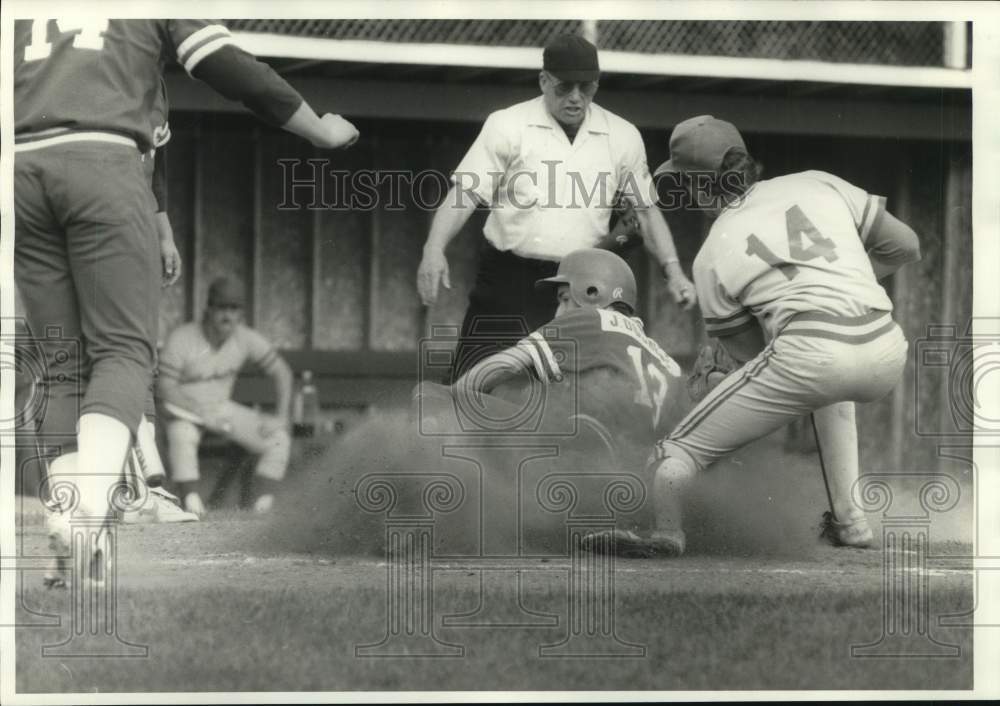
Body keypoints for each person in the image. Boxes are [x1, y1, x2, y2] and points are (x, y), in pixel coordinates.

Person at [14, 19, 359, 586]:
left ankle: (66, 515)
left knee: (60, 362)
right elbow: (232, 68)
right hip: (103, 162)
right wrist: (318, 129)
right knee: (124, 353)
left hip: (21, 168)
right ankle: (87, 518)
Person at [590, 115, 921, 558]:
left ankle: (665, 533)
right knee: (830, 391)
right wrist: (850, 282)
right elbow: (906, 245)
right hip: (885, 348)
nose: (686, 194)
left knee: (672, 458)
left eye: (686, 183)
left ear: (704, 186)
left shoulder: (711, 255)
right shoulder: (816, 182)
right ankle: (851, 521)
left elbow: (755, 356)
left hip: (809, 352)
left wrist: (718, 383)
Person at [416, 34, 696, 382]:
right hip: (509, 277)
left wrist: (674, 271)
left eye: (586, 88)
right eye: (564, 87)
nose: (576, 98)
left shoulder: (622, 135)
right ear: (544, 81)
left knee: (573, 392)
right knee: (471, 382)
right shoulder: (508, 124)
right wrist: (433, 248)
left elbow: (646, 212)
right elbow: (464, 194)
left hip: (579, 285)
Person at [416, 249, 686, 473]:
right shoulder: (668, 362)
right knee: (532, 395)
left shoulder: (590, 317)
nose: (558, 311)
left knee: (432, 396)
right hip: (641, 472)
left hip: (585, 452)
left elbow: (505, 365)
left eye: (564, 299)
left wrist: (454, 395)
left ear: (592, 293)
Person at [158, 278, 294, 517]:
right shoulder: (183, 337)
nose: (227, 316)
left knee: (277, 437)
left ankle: (262, 505)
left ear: (241, 314)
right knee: (182, 433)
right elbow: (165, 387)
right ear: (208, 310)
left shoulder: (245, 338)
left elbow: (282, 373)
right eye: (221, 308)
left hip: (221, 409)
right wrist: (199, 413)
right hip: (185, 409)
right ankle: (191, 502)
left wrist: (281, 416)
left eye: (234, 309)